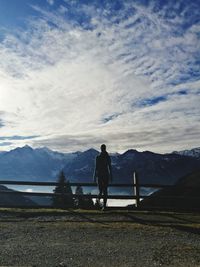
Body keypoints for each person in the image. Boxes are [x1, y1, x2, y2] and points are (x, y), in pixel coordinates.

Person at [93, 144, 113, 210]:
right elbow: (109, 167)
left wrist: (94, 176)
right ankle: (102, 205)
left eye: (103, 148)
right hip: (104, 175)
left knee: (103, 191)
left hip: (101, 175)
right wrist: (111, 176)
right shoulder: (106, 157)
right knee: (103, 191)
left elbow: (96, 167)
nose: (103, 149)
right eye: (103, 148)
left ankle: (102, 205)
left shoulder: (99, 157)